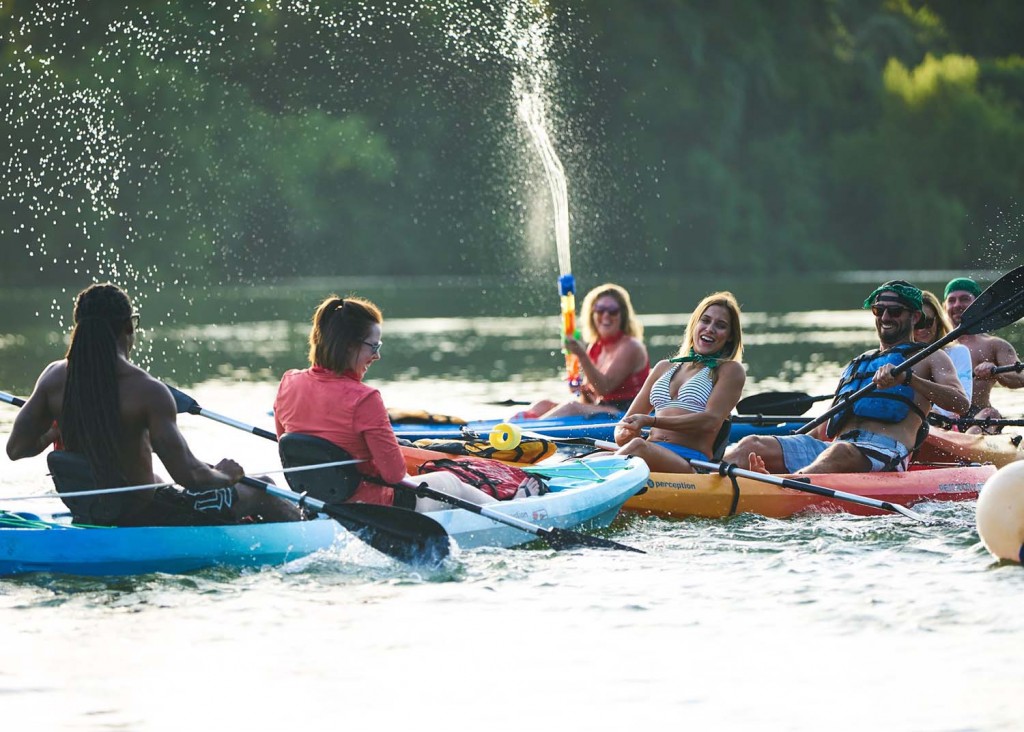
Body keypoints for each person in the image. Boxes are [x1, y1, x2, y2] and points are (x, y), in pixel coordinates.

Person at [6, 282, 299, 526]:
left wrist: (52, 432)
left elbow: (16, 449)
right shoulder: (148, 391)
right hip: (149, 516)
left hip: (91, 510)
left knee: (161, 481)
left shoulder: (53, 378)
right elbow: (192, 477)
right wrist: (226, 474)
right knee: (265, 489)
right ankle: (309, 537)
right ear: (128, 327)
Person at [273, 295, 499, 511]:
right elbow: (394, 475)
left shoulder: (288, 382)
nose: (377, 356)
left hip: (317, 501)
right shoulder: (365, 399)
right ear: (349, 346)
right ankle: (514, 510)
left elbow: (287, 448)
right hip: (377, 506)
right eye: (374, 347)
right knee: (450, 482)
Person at [724, 280, 969, 474]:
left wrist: (908, 379)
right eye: (879, 310)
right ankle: (697, 479)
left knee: (838, 452)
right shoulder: (858, 363)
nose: (885, 317)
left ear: (914, 317)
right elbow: (823, 429)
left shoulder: (930, 357)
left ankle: (781, 487)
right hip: (835, 449)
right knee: (751, 444)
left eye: (895, 311)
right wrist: (790, 446)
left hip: (884, 452)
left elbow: (960, 403)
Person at [611, 291, 745, 473]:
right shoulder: (664, 367)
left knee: (637, 447)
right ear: (695, 324)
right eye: (705, 321)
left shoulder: (730, 370)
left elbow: (710, 422)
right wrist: (626, 433)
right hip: (649, 452)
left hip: (690, 463)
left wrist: (651, 421)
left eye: (720, 325)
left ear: (730, 336)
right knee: (586, 459)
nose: (710, 329)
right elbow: (623, 426)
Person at [522, 283, 650, 419]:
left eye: (612, 311)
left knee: (571, 407)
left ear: (622, 315)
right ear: (592, 314)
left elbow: (604, 388)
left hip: (628, 413)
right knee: (544, 404)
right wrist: (582, 390)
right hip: (605, 407)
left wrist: (581, 355)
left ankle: (527, 433)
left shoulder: (631, 346)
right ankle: (514, 426)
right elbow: (590, 398)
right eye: (600, 310)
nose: (606, 315)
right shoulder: (596, 347)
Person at [943, 276, 1024, 432]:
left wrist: (995, 371)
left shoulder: (994, 345)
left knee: (990, 414)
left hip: (979, 416)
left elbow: (1020, 379)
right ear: (944, 306)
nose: (958, 305)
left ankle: (969, 442)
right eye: (951, 300)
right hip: (943, 417)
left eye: (964, 299)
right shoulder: (934, 345)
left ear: (978, 305)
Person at [914, 289, 973, 422]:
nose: (922, 329)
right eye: (917, 324)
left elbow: (962, 402)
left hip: (947, 422)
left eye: (928, 322)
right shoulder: (898, 354)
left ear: (938, 321)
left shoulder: (958, 352)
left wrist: (934, 412)